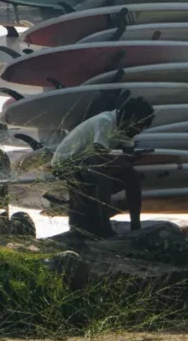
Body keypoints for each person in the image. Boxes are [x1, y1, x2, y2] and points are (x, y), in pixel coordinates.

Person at [50, 97, 154, 238]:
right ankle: (104, 227)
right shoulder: (105, 121)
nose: (137, 132)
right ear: (127, 118)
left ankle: (135, 225)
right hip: (66, 163)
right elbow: (99, 156)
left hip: (87, 163)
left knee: (132, 175)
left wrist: (134, 158)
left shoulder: (126, 130)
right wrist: (122, 161)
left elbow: (127, 157)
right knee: (102, 173)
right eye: (137, 127)